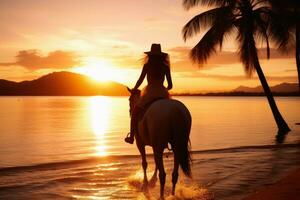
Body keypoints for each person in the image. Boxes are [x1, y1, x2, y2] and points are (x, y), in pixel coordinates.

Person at [125, 43, 173, 144]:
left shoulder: (147, 66)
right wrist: (164, 88)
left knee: (135, 113)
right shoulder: (165, 67)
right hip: (163, 93)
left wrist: (135, 89)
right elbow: (170, 85)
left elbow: (140, 80)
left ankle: (132, 137)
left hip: (149, 92)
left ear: (150, 55)